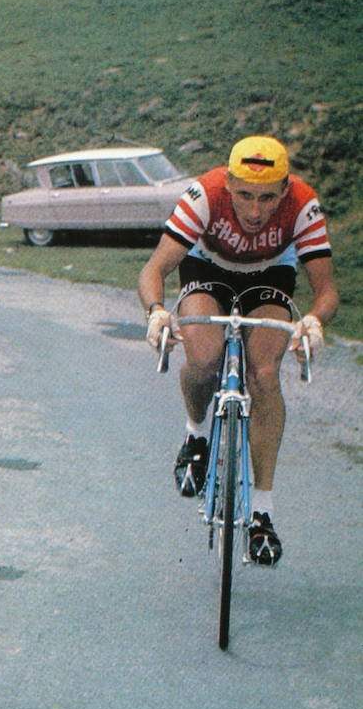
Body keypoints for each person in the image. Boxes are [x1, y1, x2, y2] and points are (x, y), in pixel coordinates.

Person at [138, 135, 338, 564]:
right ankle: (195, 437)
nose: (254, 210)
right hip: (207, 267)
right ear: (228, 182)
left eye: (268, 198)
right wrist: (156, 311)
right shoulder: (205, 194)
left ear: (285, 189)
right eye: (244, 194)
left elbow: (326, 291)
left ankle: (262, 512)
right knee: (204, 358)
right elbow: (154, 268)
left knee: (264, 374)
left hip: (269, 277)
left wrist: (313, 322)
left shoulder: (303, 204)